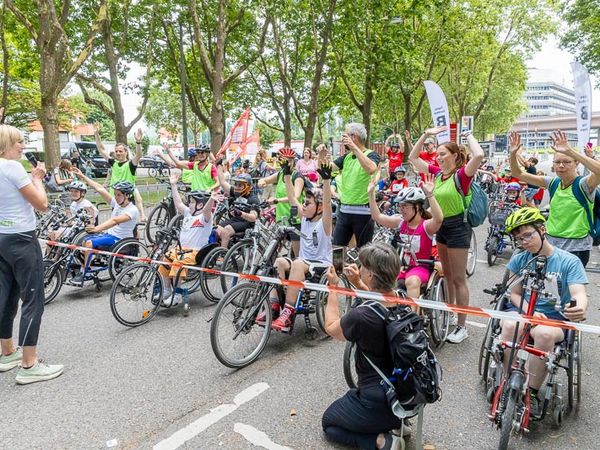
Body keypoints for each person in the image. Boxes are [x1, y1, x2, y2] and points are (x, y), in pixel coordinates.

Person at [501, 207, 588, 417]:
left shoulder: (569, 261)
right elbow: (514, 294)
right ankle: (507, 383)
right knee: (510, 325)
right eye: (519, 239)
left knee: (544, 334)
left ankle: (531, 391)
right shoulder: (520, 260)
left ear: (542, 229)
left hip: (555, 318)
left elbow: (579, 292)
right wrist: (527, 311)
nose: (524, 243)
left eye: (527, 236)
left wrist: (580, 306)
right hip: (523, 311)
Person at [322, 242, 404, 449]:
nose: (360, 268)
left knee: (329, 422)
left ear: (371, 275)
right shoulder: (403, 301)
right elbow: (381, 301)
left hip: (376, 401)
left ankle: (381, 441)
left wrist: (333, 289)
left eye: (363, 266)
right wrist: (359, 284)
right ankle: (397, 425)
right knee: (350, 396)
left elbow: (332, 328)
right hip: (404, 394)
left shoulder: (362, 315)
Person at [0, 124, 64, 384]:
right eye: (18, 142)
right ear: (6, 143)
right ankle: (29, 364)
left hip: (2, 238)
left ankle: (7, 352)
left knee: (7, 295)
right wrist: (37, 178)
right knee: (32, 299)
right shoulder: (13, 168)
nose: (22, 146)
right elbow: (43, 204)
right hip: (22, 239)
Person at [408, 126, 484, 344]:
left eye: (443, 154)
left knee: (459, 279)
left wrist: (468, 134)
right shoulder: (437, 174)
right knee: (447, 275)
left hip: (459, 228)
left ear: (454, 155)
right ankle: (451, 313)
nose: (438, 157)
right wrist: (426, 134)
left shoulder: (462, 175)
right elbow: (413, 158)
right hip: (440, 226)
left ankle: (462, 326)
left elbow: (478, 155)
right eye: (437, 154)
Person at [509, 130, 600, 267]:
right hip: (550, 243)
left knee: (566, 287)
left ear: (576, 164)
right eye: (557, 162)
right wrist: (513, 153)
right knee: (541, 284)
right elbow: (518, 173)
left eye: (566, 161)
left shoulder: (584, 184)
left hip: (576, 248)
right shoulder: (553, 183)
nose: (561, 165)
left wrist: (570, 151)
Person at [267, 160, 333, 332]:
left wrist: (326, 181)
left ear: (318, 209)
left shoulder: (324, 223)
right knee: (279, 262)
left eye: (308, 203)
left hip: (321, 266)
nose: (304, 204)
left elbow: (327, 204)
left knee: (297, 263)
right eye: (305, 201)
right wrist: (287, 175)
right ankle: (274, 307)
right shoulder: (304, 217)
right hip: (304, 263)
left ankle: (288, 313)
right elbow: (291, 198)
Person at [368, 175, 443, 302]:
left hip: (421, 267)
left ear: (417, 207)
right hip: (403, 266)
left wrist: (430, 195)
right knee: (380, 277)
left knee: (411, 281)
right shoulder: (401, 222)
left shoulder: (426, 225)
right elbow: (377, 217)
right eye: (400, 206)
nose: (401, 210)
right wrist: (370, 194)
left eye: (405, 207)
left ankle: (412, 318)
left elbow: (439, 219)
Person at [70, 168, 139, 285]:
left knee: (89, 243)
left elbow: (115, 220)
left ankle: (85, 272)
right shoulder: (117, 204)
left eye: (118, 195)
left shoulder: (132, 210)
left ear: (127, 195)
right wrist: (82, 176)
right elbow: (100, 189)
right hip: (109, 235)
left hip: (119, 239)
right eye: (115, 194)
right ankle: (89, 267)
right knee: (80, 242)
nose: (115, 197)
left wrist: (97, 228)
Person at [158, 171, 217, 305]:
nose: (188, 204)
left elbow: (208, 210)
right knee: (165, 259)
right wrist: (173, 185)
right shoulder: (188, 213)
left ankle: (177, 294)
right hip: (181, 249)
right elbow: (178, 202)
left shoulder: (205, 218)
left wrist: (211, 199)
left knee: (177, 263)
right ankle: (167, 289)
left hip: (195, 252)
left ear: (200, 205)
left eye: (191, 202)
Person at [319, 123, 380, 248]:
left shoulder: (371, 154)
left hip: (364, 212)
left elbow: (371, 169)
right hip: (344, 211)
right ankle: (339, 268)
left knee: (363, 252)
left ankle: (360, 268)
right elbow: (325, 169)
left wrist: (353, 147)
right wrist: (321, 156)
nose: (342, 140)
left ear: (354, 137)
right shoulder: (346, 157)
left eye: (345, 136)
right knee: (336, 249)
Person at [257, 147, 308, 256]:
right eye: (285, 160)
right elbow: (265, 179)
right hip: (282, 219)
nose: (288, 163)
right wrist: (261, 182)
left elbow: (295, 196)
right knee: (274, 250)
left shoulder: (297, 176)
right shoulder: (280, 174)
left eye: (290, 160)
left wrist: (276, 200)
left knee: (297, 255)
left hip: (296, 219)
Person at [94, 123, 146, 221]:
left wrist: (138, 142)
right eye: (116, 151)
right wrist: (96, 134)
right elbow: (101, 149)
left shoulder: (130, 164)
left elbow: (138, 155)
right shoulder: (114, 163)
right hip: (116, 198)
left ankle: (135, 236)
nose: (118, 153)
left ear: (126, 152)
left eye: (120, 151)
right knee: (116, 224)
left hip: (127, 198)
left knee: (131, 225)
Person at [215, 161, 259, 248]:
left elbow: (253, 217)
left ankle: (222, 254)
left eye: (240, 185)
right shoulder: (235, 192)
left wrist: (241, 213)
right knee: (215, 229)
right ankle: (215, 251)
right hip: (234, 220)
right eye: (236, 184)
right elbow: (223, 183)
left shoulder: (253, 198)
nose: (237, 187)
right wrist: (219, 166)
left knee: (226, 230)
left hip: (246, 223)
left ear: (248, 187)